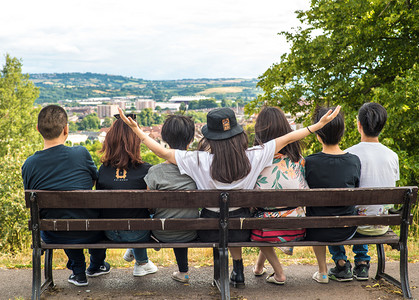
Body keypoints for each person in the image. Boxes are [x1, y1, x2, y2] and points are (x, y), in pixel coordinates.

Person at [117, 105, 341, 288]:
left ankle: (227, 273)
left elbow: (163, 152)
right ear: (238, 134)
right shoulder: (254, 156)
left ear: (210, 138)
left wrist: (137, 130)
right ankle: (237, 268)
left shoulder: (199, 160)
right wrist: (316, 126)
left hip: (209, 231)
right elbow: (288, 138)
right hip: (241, 230)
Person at [22, 105, 109, 287]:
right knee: (83, 215)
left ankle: (79, 273)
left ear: (38, 129)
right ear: (66, 129)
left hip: (53, 233)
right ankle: (96, 265)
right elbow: (95, 181)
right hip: (91, 229)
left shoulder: (29, 165)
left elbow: (33, 199)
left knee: (63, 216)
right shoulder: (81, 153)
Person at [328, 102, 399, 281]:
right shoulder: (392, 156)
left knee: (340, 214)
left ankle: (341, 263)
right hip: (383, 225)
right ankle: (362, 263)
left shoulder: (349, 155)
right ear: (382, 126)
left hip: (355, 225)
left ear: (359, 125)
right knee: (366, 210)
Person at [251, 107, 308, 285]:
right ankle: (259, 267)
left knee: (260, 218)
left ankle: (279, 273)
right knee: (267, 216)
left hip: (266, 228)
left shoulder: (255, 158)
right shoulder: (299, 158)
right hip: (298, 226)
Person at [96, 113, 157, 277]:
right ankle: (141, 261)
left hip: (109, 233)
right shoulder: (146, 170)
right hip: (137, 234)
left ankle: (140, 260)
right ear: (136, 140)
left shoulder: (103, 170)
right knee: (145, 216)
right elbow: (152, 207)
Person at [304, 107, 360, 284]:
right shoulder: (354, 161)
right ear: (342, 133)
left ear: (318, 135)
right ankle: (340, 262)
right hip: (347, 228)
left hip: (317, 229)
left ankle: (322, 271)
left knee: (316, 216)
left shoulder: (310, 162)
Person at [144, 115, 198, 284]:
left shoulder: (155, 172)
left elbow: (148, 206)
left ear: (164, 139)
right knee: (182, 216)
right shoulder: (199, 169)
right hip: (193, 231)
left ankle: (135, 254)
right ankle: (184, 271)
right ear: (190, 140)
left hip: (161, 232)